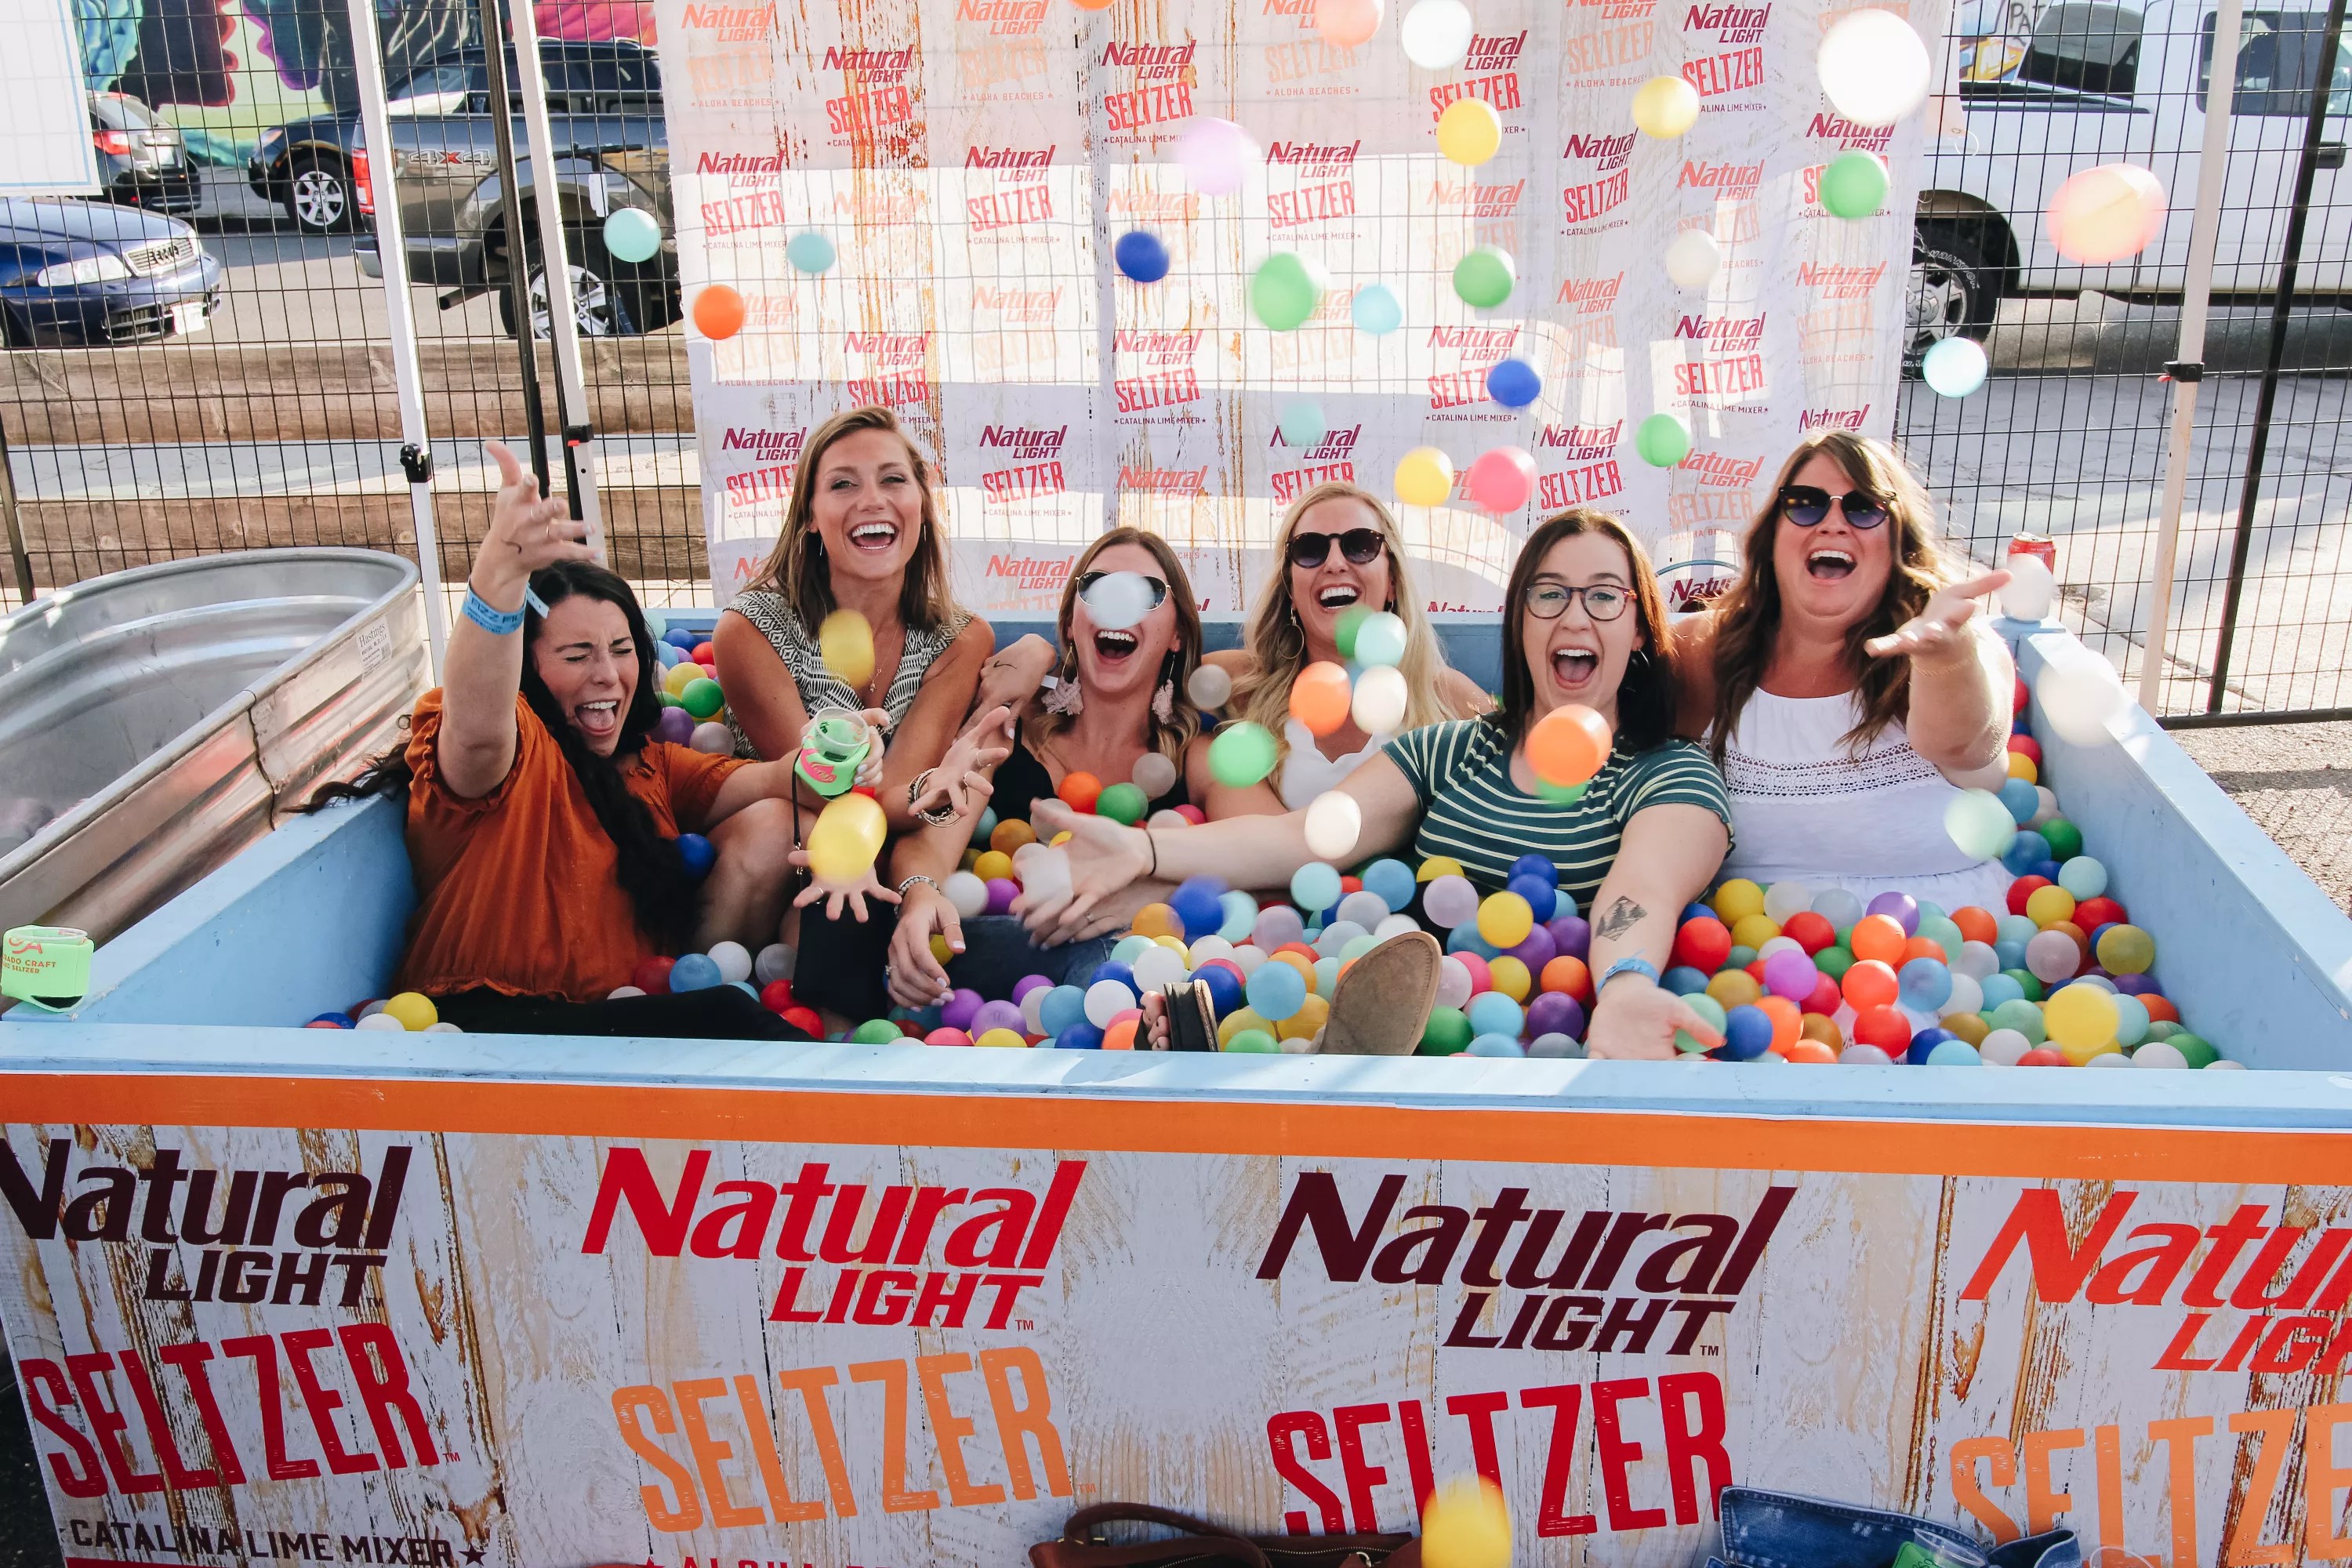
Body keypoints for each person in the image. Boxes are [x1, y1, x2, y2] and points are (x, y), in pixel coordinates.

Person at [1022, 509, 1736, 1059]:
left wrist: (1626, 987)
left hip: (1556, 1032)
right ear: (1520, 623)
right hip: (1393, 1004)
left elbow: (1641, 889)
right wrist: (1145, 853)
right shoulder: (1446, 752)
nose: (1574, 615)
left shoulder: (1670, 772)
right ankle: (1251, 1044)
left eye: (1604, 598)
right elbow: (1305, 835)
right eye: (1548, 595)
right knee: (1280, 965)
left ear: (1641, 628)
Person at [307, 442, 811, 1039]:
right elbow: (475, 733)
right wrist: (500, 577)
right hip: (479, 1027)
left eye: (622, 651)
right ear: (525, 667)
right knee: (730, 1016)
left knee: (774, 822)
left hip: (610, 1022)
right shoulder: (515, 748)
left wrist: (848, 750)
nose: (606, 675)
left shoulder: (650, 768)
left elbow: (783, 779)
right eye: (577, 656)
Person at [869, 528, 1216, 1016]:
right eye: (1096, 586)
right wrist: (919, 896)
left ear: (1178, 633)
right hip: (987, 961)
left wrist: (1148, 894)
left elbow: (1264, 857)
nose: (1118, 604)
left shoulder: (1195, 756)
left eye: (1146, 592)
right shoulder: (1009, 725)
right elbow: (938, 836)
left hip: (1124, 978)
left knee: (1113, 952)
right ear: (1072, 624)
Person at [1671, 428, 2015, 908]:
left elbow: (1967, 745)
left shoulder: (1955, 640)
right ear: (1773, 535)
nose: (1833, 522)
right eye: (1806, 502)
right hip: (1743, 960)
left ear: (1898, 540)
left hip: (1941, 955)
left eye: (1863, 507)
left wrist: (1943, 658)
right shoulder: (1705, 649)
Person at [714, 405, 995, 828]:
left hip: (880, 867)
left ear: (921, 502)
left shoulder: (960, 638)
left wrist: (932, 790)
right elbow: (822, 793)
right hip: (784, 861)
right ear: (809, 514)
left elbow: (889, 800)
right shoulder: (751, 630)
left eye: (893, 479)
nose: (872, 500)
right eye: (843, 484)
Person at [1205, 481, 1491, 815]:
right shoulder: (1244, 684)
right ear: (1291, 591)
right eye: (1310, 549)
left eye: (1360, 545)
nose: (1336, 563)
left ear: (1392, 582)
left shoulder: (1446, 697)